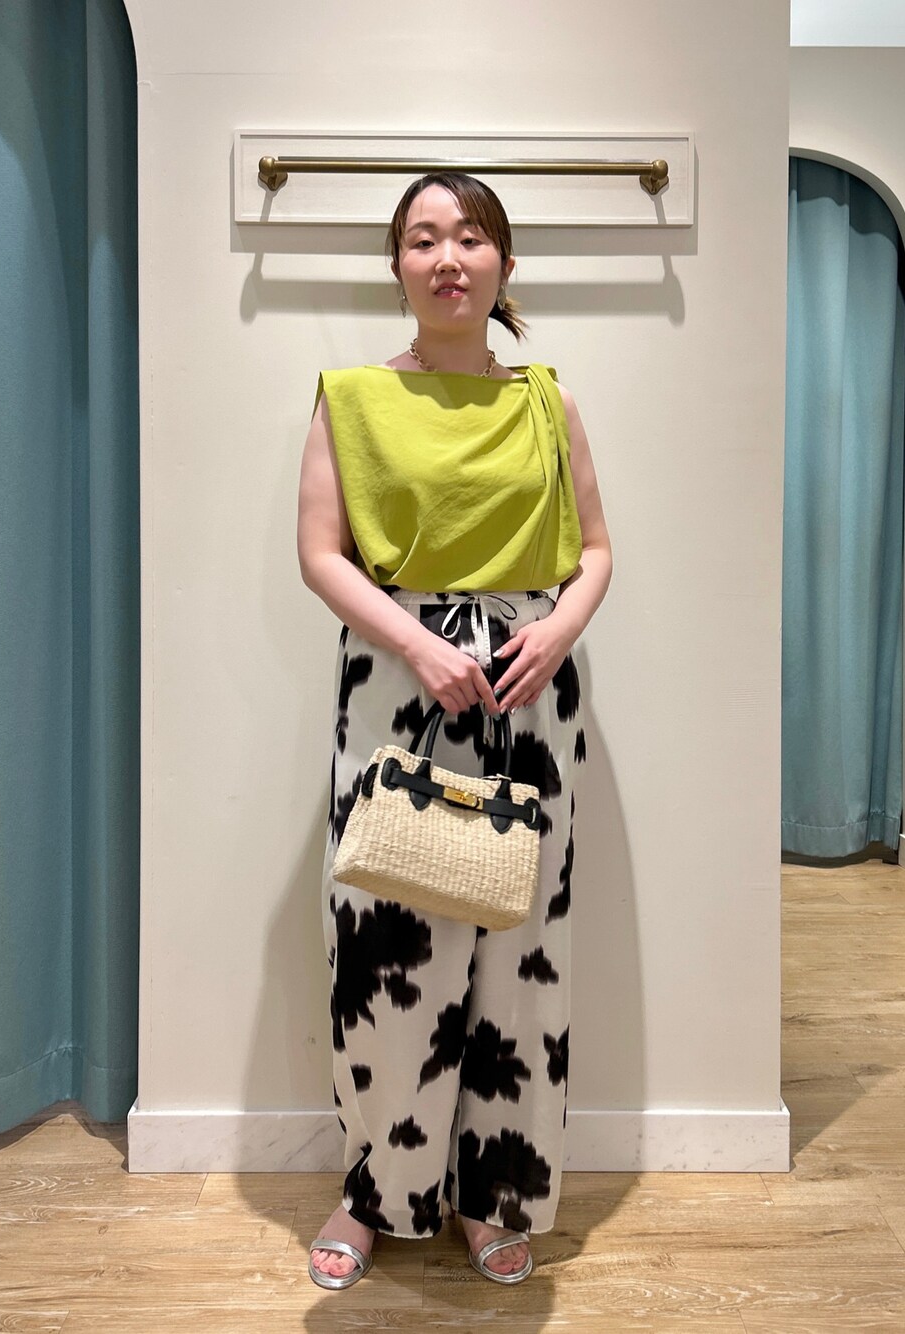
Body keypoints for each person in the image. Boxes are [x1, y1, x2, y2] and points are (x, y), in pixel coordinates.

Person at [296, 171, 613, 1289]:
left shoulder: (547, 403)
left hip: (529, 697)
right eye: (424, 239)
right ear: (398, 267)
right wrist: (420, 645)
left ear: (503, 265)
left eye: (470, 238)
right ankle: (376, 1190)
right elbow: (322, 552)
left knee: (520, 955)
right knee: (384, 947)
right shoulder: (350, 399)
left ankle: (495, 1194)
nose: (448, 257)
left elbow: (595, 550)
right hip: (397, 690)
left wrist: (557, 630)